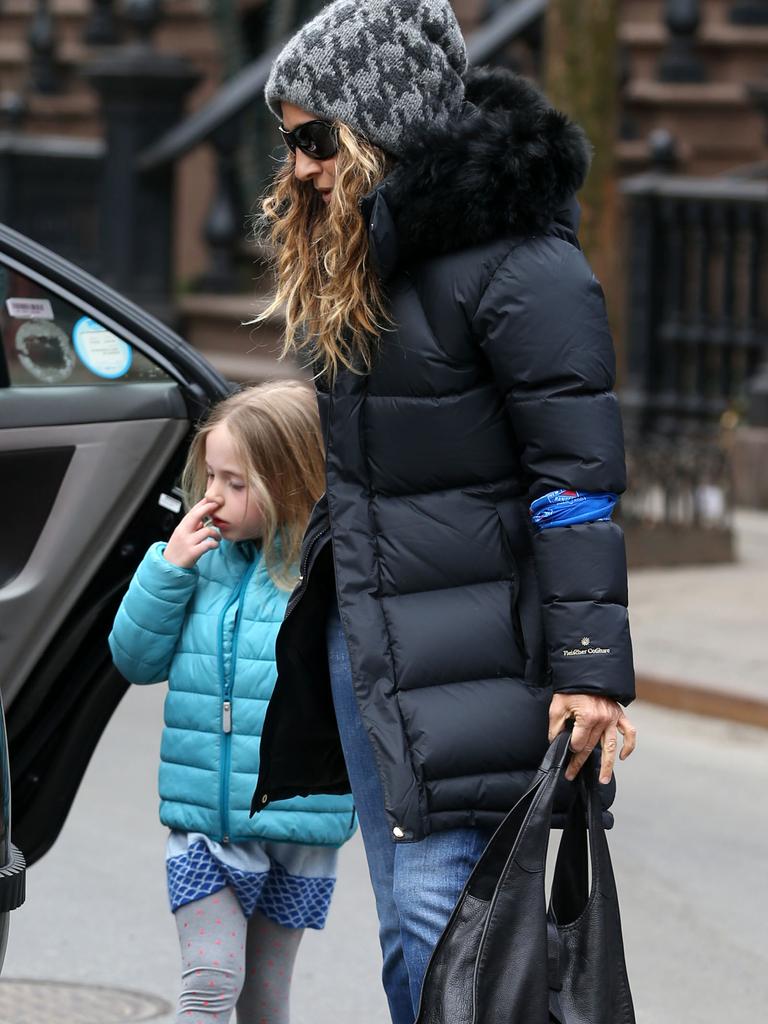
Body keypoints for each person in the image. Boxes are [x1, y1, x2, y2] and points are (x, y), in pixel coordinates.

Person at [251, 2, 638, 1022]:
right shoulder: (367, 263)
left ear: (378, 125)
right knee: (415, 937)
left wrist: (592, 670)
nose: (297, 167)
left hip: (480, 657)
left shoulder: (526, 268)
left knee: (446, 938)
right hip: (375, 651)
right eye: (287, 141)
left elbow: (577, 483)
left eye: (312, 138)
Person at [109, 382, 356, 1024]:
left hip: (301, 824)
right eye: (209, 475)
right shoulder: (198, 562)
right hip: (207, 826)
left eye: (235, 483)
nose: (212, 496)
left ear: (292, 481)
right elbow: (135, 659)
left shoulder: (331, 572)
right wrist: (167, 567)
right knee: (210, 985)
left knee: (265, 1000)